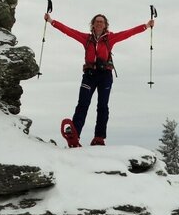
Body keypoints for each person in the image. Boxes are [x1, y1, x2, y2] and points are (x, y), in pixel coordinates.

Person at [45, 12, 155, 146]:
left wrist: (146, 26)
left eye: (101, 21)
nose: (99, 23)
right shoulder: (86, 39)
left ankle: (99, 137)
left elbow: (128, 33)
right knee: (82, 104)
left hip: (105, 76)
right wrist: (51, 21)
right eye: (97, 21)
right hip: (89, 75)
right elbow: (69, 31)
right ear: (93, 24)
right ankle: (75, 135)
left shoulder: (110, 38)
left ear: (105, 25)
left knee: (102, 106)